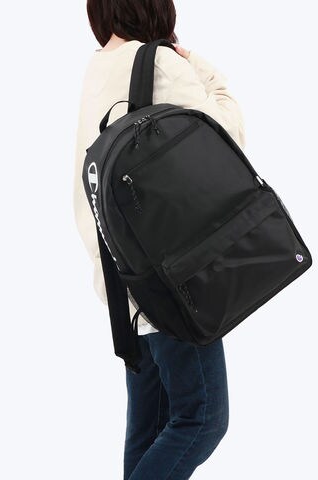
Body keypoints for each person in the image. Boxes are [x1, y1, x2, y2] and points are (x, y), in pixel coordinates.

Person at [73, 1, 246, 478]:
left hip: (122, 282)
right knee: (201, 418)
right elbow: (227, 137)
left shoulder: (98, 67)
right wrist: (196, 63)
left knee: (149, 429)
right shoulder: (161, 63)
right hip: (170, 280)